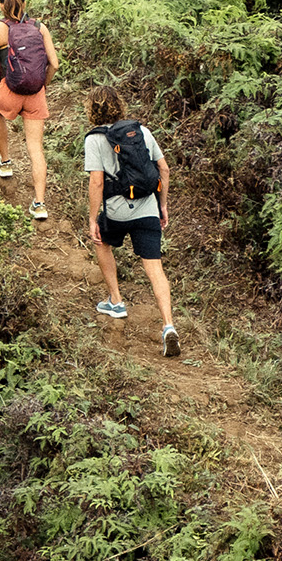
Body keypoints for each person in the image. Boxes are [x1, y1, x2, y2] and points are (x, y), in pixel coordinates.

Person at [77, 86, 179, 358]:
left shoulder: (94, 139)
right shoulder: (142, 132)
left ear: (92, 110)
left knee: (101, 241)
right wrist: (162, 205)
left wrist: (92, 218)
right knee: (155, 268)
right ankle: (169, 325)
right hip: (147, 209)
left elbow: (97, 181)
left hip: (117, 213)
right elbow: (164, 169)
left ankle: (116, 301)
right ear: (120, 106)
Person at [0, 0, 60, 219]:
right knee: (36, 147)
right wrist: (43, 85)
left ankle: (5, 162)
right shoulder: (39, 27)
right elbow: (54, 64)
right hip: (36, 93)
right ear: (25, 4)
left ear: (1, 5)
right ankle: (40, 204)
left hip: (9, 89)